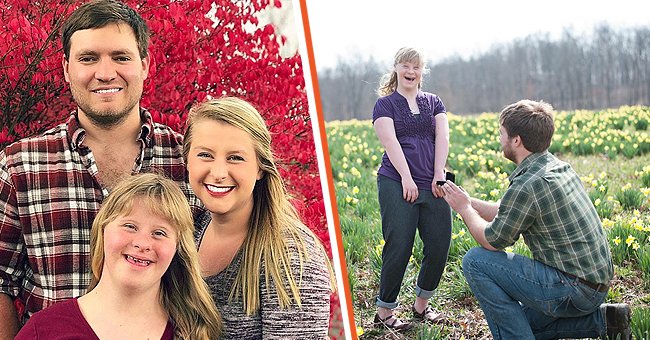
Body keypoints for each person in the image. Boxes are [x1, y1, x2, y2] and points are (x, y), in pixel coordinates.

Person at [0, 0, 201, 336]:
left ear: (145, 65)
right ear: (66, 68)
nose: (105, 73)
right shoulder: (21, 165)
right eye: (88, 58)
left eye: (121, 57)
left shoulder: (189, 162)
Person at [441, 99, 631, 339]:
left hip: (574, 289)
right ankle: (606, 321)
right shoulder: (556, 166)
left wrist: (465, 209)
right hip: (595, 285)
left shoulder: (528, 185)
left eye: (502, 134)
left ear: (516, 140)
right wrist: (464, 199)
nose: (500, 139)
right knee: (521, 322)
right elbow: (507, 210)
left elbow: (491, 240)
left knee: (476, 260)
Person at [183, 97, 333, 339]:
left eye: (236, 158)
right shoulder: (188, 233)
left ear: (260, 167)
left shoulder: (289, 256)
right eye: (205, 155)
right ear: (187, 159)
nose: (219, 173)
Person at [14, 173, 221, 339]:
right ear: (102, 230)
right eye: (130, 226)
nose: (142, 243)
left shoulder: (195, 332)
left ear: (177, 248)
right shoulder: (43, 331)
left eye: (159, 233)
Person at [371, 46, 452, 330]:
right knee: (400, 245)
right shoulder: (385, 104)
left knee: (440, 244)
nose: (411, 71)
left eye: (416, 67)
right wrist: (406, 177)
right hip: (396, 181)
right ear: (396, 68)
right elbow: (390, 142)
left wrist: (438, 174)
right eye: (405, 65)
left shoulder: (434, 102)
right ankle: (384, 312)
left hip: (433, 183)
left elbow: (442, 136)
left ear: (422, 72)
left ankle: (421, 306)